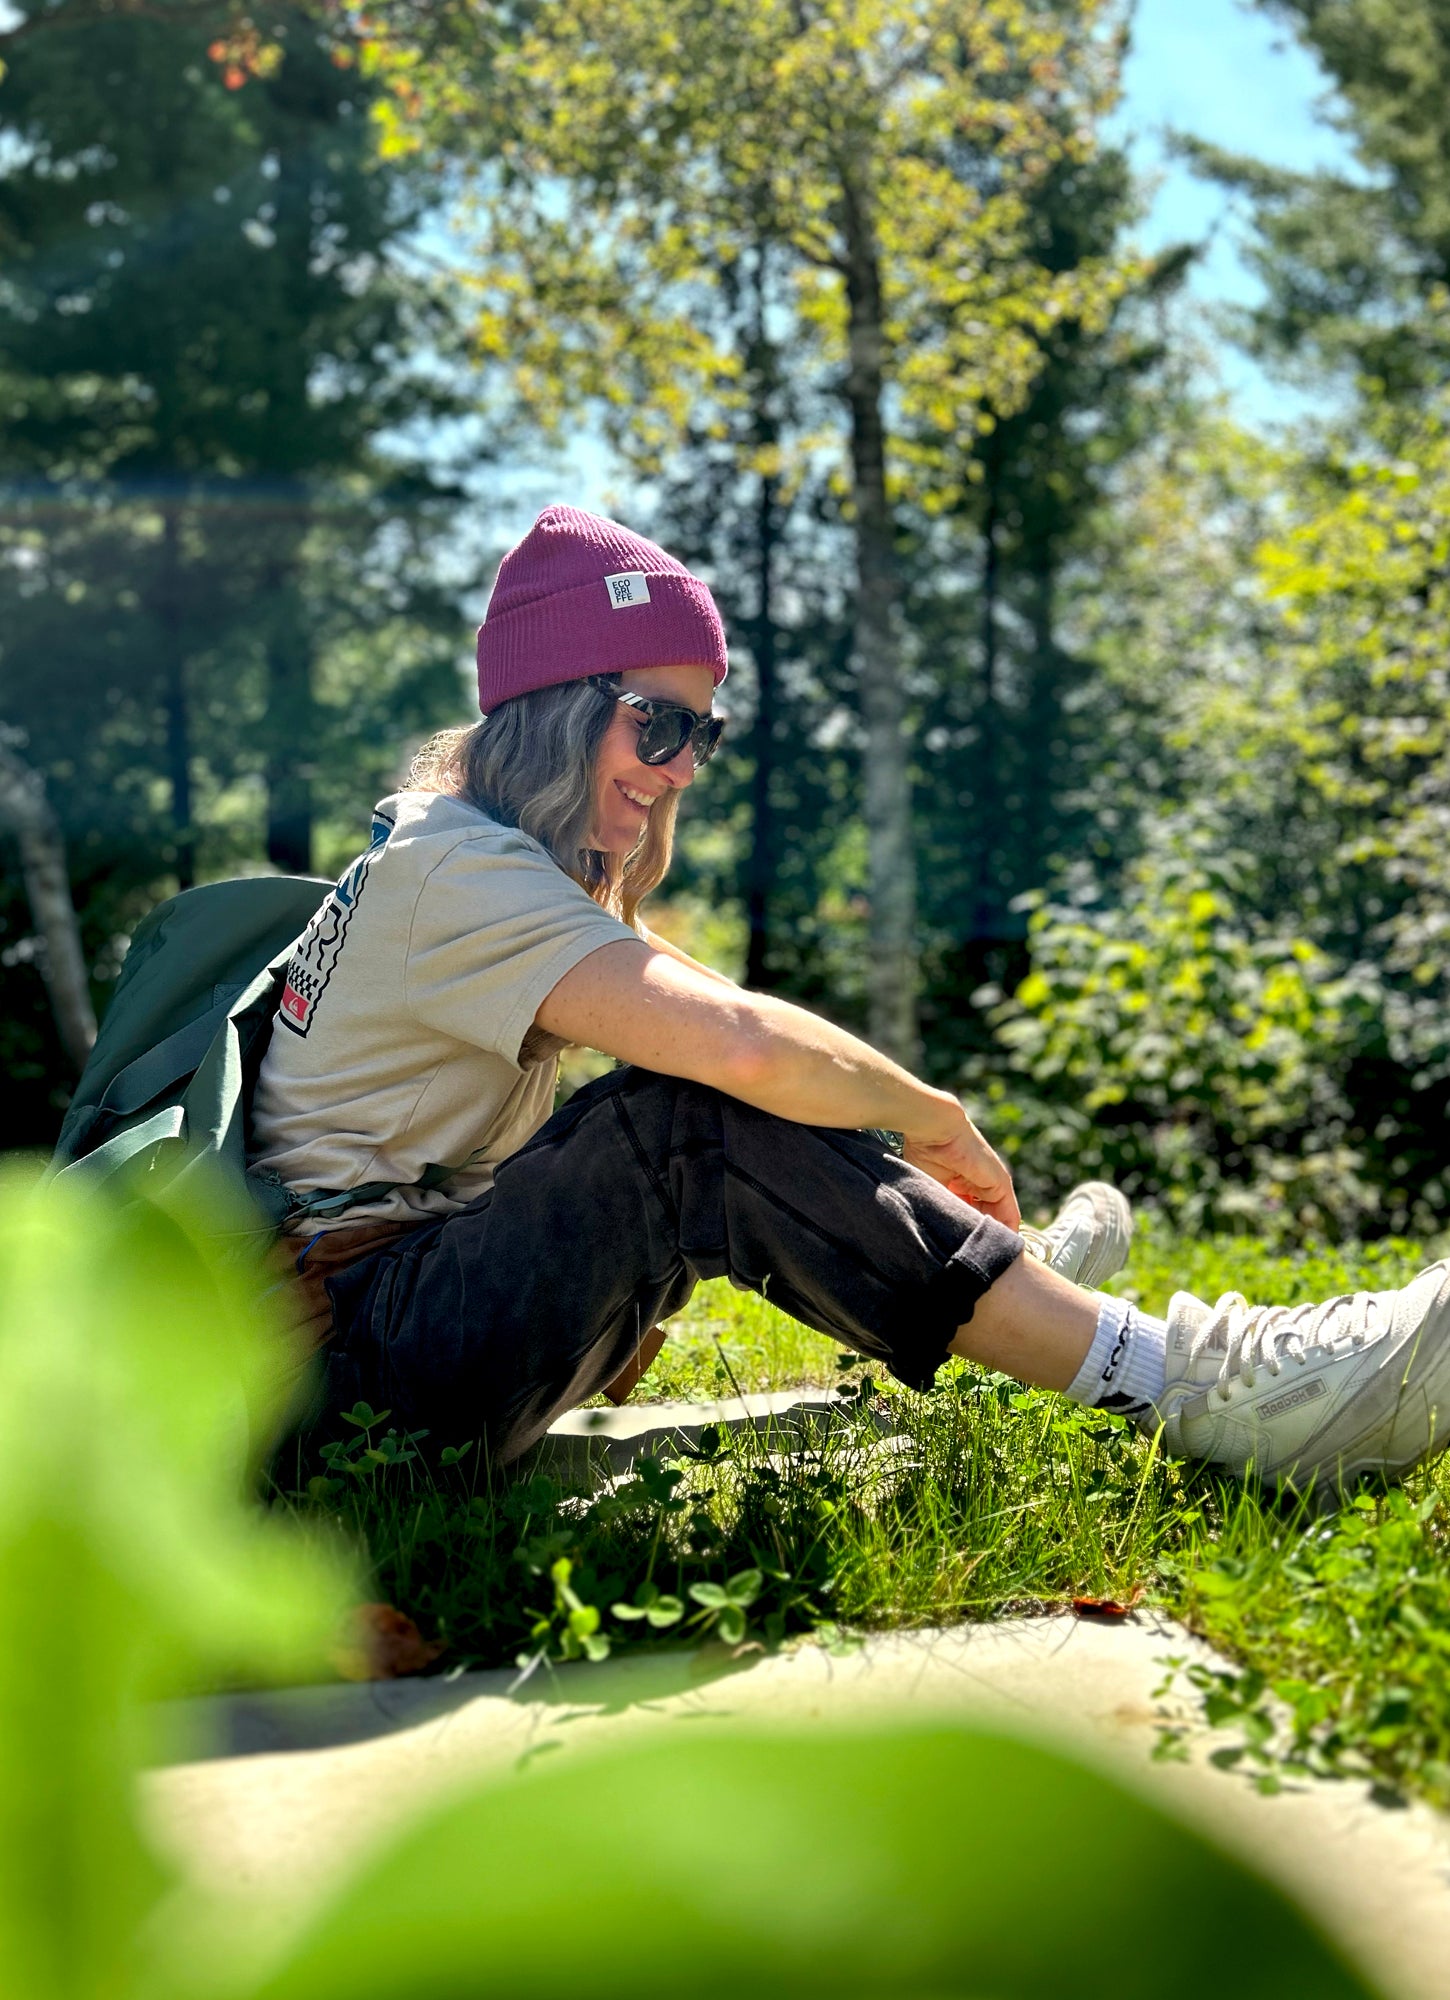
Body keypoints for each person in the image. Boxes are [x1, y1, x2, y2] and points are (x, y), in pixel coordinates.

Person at [252, 504, 1450, 1492]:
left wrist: (916, 1182)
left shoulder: (452, 854)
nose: (676, 769)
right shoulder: (460, 872)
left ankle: (1015, 1291)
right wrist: (935, 1119)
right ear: (557, 706)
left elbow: (715, 1015)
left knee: (691, 1091)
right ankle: (1199, 1383)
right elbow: (742, 1047)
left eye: (700, 736)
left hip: (382, 1337)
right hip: (357, 1382)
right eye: (654, 723)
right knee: (688, 1123)